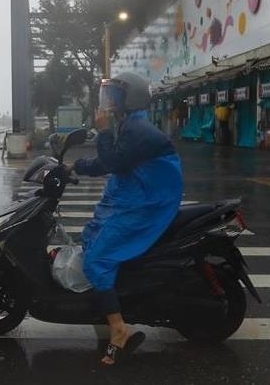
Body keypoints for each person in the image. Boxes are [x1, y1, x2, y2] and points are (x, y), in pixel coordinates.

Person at [66, 72, 184, 365]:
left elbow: (113, 161)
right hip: (136, 196)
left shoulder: (137, 129)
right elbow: (112, 162)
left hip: (148, 203)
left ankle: (119, 330)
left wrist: (103, 131)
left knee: (96, 260)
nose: (108, 102)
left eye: (114, 96)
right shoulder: (129, 125)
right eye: (107, 95)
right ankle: (113, 305)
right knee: (91, 240)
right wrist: (74, 167)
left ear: (130, 99)